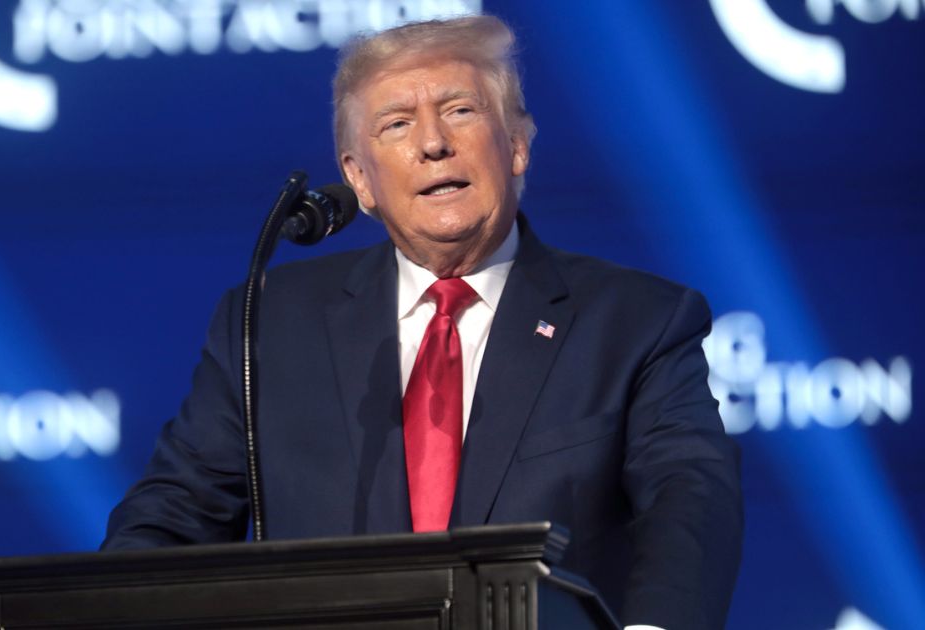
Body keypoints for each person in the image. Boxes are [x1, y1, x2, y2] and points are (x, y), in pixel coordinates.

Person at [102, 15, 743, 630]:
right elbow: (176, 513)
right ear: (360, 180)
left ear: (517, 145)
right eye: (396, 124)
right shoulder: (271, 323)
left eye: (460, 111)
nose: (433, 143)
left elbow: (689, 500)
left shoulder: (637, 322)